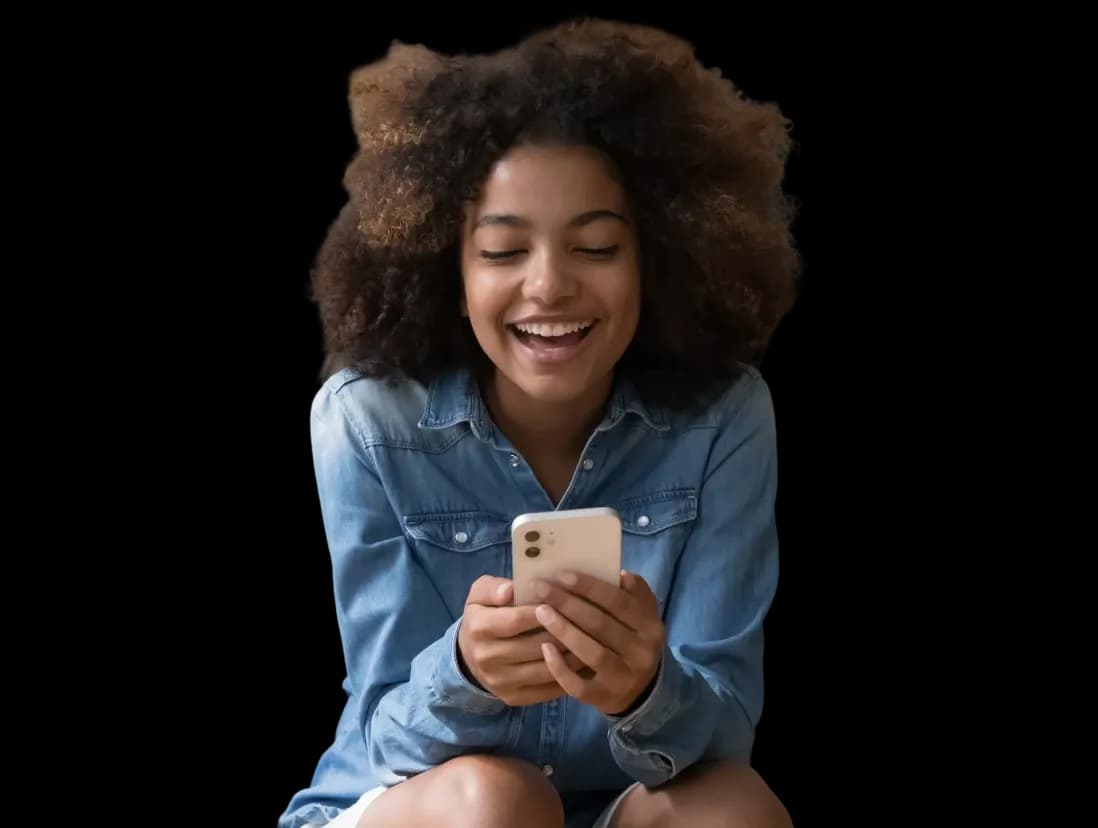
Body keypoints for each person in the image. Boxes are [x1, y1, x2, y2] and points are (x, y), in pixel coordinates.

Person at [279, 16, 800, 828]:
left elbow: (726, 726)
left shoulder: (724, 417)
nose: (549, 286)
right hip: (425, 805)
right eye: (502, 251)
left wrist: (645, 691)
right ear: (445, 270)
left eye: (596, 247)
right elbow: (385, 732)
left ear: (655, 261)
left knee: (733, 807)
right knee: (500, 799)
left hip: (622, 803)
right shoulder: (367, 421)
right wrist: (464, 673)